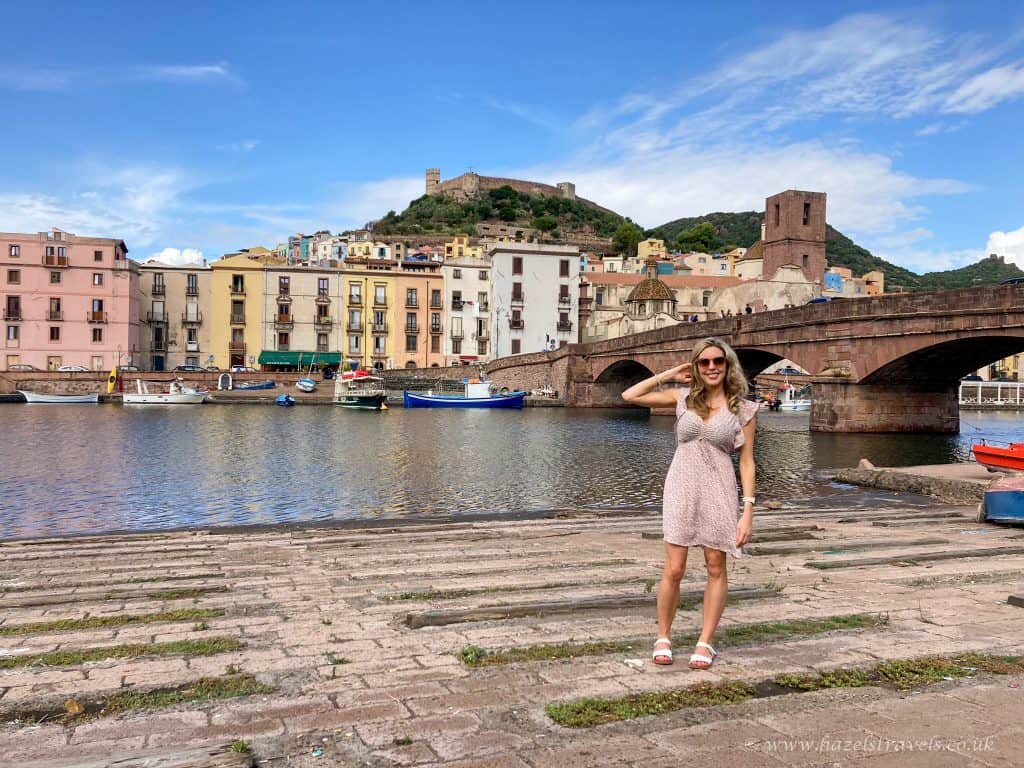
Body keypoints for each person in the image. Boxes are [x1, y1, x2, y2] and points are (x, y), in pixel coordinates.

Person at [621, 337, 757, 669]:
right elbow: (629, 395)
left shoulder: (743, 408)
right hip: (680, 487)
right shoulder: (681, 398)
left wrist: (748, 511)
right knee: (674, 568)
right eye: (704, 362)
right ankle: (663, 636)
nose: (712, 367)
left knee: (715, 566)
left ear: (727, 366)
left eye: (718, 362)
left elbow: (747, 462)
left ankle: (705, 642)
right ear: (696, 366)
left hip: (719, 490)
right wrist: (669, 373)